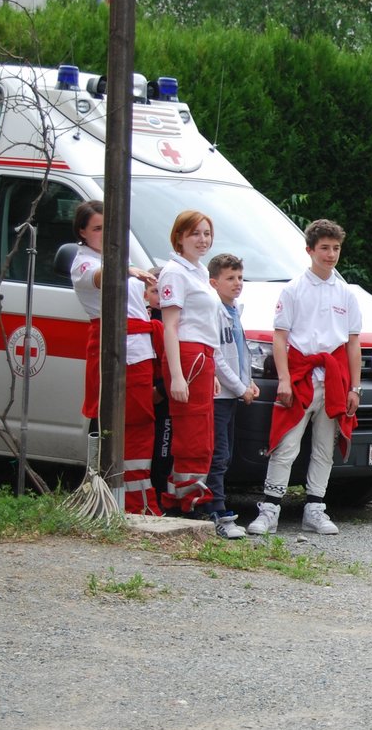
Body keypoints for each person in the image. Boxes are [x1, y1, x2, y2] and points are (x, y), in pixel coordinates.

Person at [245, 219, 362, 537]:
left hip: (333, 380)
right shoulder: (294, 289)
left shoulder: (347, 294)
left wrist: (355, 386)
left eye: (336, 248)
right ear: (310, 250)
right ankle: (270, 508)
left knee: (326, 446)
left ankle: (315, 508)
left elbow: (352, 344)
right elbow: (280, 338)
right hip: (300, 377)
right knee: (287, 444)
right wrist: (284, 379)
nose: (331, 254)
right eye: (324, 248)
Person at [67, 200, 162, 515]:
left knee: (140, 427)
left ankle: (136, 499)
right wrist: (128, 269)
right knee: (119, 425)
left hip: (139, 352)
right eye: (97, 228)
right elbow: (99, 277)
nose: (105, 234)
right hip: (115, 351)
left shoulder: (122, 258)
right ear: (82, 232)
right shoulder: (83, 262)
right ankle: (120, 500)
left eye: (110, 227)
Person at [157, 210, 219, 516]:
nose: (203, 239)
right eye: (195, 233)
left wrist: (215, 367)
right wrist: (177, 377)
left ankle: (193, 497)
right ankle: (186, 501)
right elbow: (170, 325)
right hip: (187, 355)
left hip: (203, 356)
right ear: (179, 237)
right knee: (191, 433)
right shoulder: (174, 272)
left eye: (207, 233)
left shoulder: (200, 271)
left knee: (204, 431)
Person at [205, 253, 258, 540]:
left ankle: (216, 505)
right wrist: (240, 387)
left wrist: (248, 382)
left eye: (239, 277)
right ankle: (216, 510)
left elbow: (240, 352)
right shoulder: (215, 310)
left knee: (225, 454)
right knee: (218, 454)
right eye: (230, 278)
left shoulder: (236, 310)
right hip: (220, 396)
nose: (237, 283)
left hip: (233, 393)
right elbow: (216, 356)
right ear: (214, 282)